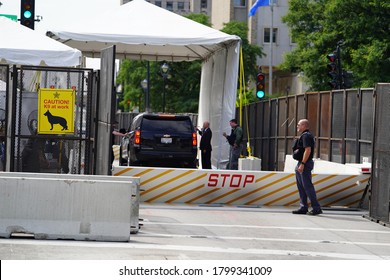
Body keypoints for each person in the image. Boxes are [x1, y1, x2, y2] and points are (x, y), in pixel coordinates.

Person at [292, 119, 323, 215]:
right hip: (301, 163)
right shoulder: (304, 136)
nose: (297, 126)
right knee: (301, 186)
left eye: (299, 125)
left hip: (304, 164)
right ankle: (303, 207)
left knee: (307, 186)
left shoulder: (306, 136)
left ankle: (316, 208)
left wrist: (303, 164)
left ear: (304, 126)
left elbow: (308, 150)